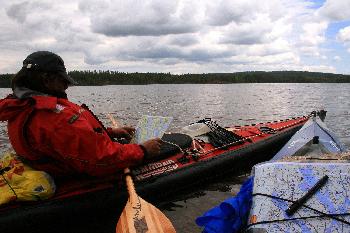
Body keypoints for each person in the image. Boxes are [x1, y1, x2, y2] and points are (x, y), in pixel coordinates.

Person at [0, 51, 162, 179]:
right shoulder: (54, 117)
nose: (66, 86)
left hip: (52, 165)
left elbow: (69, 140)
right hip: (73, 173)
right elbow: (100, 159)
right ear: (47, 79)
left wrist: (109, 133)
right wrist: (142, 150)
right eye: (63, 80)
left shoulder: (21, 104)